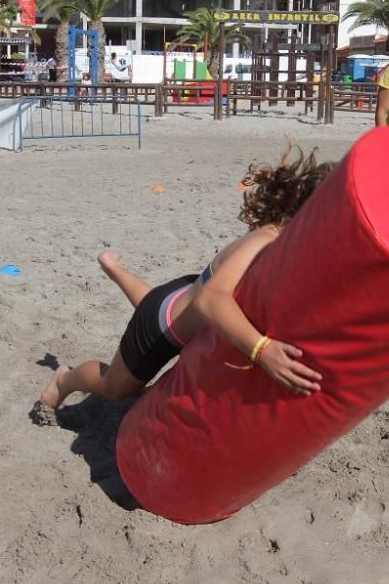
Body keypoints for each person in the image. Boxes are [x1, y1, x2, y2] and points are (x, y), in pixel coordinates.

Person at [34, 149, 332, 422]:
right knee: (116, 386)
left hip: (178, 300)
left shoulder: (293, 242)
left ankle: (113, 268)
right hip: (166, 326)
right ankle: (65, 379)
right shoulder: (268, 238)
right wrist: (261, 350)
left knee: (161, 304)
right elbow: (210, 300)